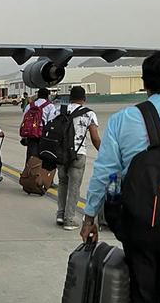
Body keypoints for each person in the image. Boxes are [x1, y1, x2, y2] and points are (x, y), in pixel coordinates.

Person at [81, 50, 160, 302]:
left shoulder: (123, 120)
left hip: (139, 225)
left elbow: (108, 174)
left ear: (144, 83)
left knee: (141, 294)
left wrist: (92, 216)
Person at [54, 86, 100, 231]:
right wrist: (104, 152)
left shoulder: (59, 110)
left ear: (69, 98)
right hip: (78, 154)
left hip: (61, 154)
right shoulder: (89, 114)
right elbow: (94, 138)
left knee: (62, 183)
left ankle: (60, 215)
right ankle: (69, 220)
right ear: (84, 99)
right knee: (74, 187)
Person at [22, 88, 56, 162]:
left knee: (31, 156)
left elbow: (24, 119)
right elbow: (51, 121)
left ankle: (29, 172)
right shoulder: (50, 106)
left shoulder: (30, 105)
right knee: (43, 157)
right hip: (43, 134)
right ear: (48, 96)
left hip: (31, 134)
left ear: (38, 95)